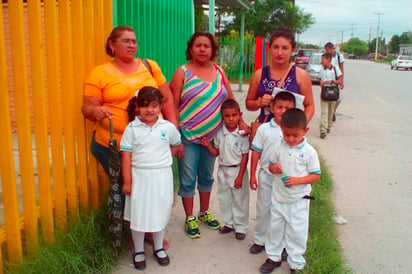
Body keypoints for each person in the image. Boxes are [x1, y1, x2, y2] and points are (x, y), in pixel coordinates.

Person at [81, 25, 177, 249]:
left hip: (152, 144)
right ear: (112, 45)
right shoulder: (99, 72)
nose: (132, 45)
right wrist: (96, 112)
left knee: (152, 190)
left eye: (134, 41)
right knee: (129, 189)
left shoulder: (149, 66)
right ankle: (131, 233)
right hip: (113, 146)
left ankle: (151, 232)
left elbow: (168, 98)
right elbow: (87, 106)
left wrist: (172, 129)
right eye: (126, 41)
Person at [169, 31, 248, 239]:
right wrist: (175, 137)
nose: (202, 49)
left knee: (206, 176)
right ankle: (189, 217)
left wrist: (243, 124)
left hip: (212, 138)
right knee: (187, 178)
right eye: (198, 45)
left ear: (212, 50)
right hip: (188, 136)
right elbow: (172, 105)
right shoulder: (182, 72)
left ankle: (203, 213)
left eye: (206, 46)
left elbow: (231, 101)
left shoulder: (219, 72)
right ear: (191, 48)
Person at [120, 87, 182, 270]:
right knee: (139, 214)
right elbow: (126, 156)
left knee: (160, 212)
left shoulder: (167, 127)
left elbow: (176, 144)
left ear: (160, 106)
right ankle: (138, 250)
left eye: (154, 106)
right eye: (145, 106)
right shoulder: (132, 128)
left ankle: (158, 247)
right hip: (139, 177)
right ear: (137, 107)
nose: (150, 110)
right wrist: (128, 181)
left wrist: (164, 160)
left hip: (162, 177)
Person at [259, 108, 321, 274]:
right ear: (282, 130)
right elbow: (270, 165)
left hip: (299, 199)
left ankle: (296, 263)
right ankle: (273, 257)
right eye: (287, 135)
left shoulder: (309, 152)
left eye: (295, 135)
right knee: (275, 228)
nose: (291, 139)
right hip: (279, 197)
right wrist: (274, 168)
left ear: (305, 131)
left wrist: (299, 180)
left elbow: (316, 175)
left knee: (297, 232)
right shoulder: (280, 147)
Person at [249, 91, 296, 254]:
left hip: (285, 180)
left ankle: (281, 244)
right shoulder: (264, 129)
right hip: (266, 176)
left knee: (282, 212)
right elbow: (255, 152)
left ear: (294, 109)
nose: (283, 111)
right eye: (279, 107)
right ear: (271, 108)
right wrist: (252, 175)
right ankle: (260, 239)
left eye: (287, 108)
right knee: (264, 208)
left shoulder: (293, 131)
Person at [200, 99, 250, 241]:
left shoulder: (242, 134)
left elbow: (245, 156)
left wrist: (240, 176)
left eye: (234, 115)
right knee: (224, 198)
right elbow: (216, 152)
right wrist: (207, 145)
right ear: (222, 116)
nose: (230, 119)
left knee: (240, 199)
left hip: (237, 169)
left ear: (239, 115)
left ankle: (240, 226)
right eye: (226, 116)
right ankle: (229, 223)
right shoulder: (219, 132)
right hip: (223, 170)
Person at [245, 28, 315, 125]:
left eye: (285, 48)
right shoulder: (259, 74)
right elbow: (248, 104)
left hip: (289, 135)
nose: (279, 52)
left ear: (292, 50)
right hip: (264, 133)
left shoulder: (300, 75)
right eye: (275, 47)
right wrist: (259, 103)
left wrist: (299, 126)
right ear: (269, 48)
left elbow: (310, 105)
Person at [319, 53, 343, 139]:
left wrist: (332, 81)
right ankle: (323, 130)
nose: (321, 62)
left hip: (333, 92)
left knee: (331, 111)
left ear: (328, 60)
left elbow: (340, 80)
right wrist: (322, 83)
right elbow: (320, 80)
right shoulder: (321, 69)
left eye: (323, 60)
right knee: (324, 112)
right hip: (324, 92)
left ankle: (329, 125)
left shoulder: (336, 69)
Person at [324, 42, 344, 121]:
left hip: (336, 80)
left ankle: (333, 111)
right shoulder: (326, 57)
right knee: (327, 96)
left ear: (332, 48)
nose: (327, 52)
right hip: (327, 80)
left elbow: (341, 69)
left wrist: (341, 80)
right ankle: (328, 115)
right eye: (326, 50)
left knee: (337, 98)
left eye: (328, 50)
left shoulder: (339, 57)